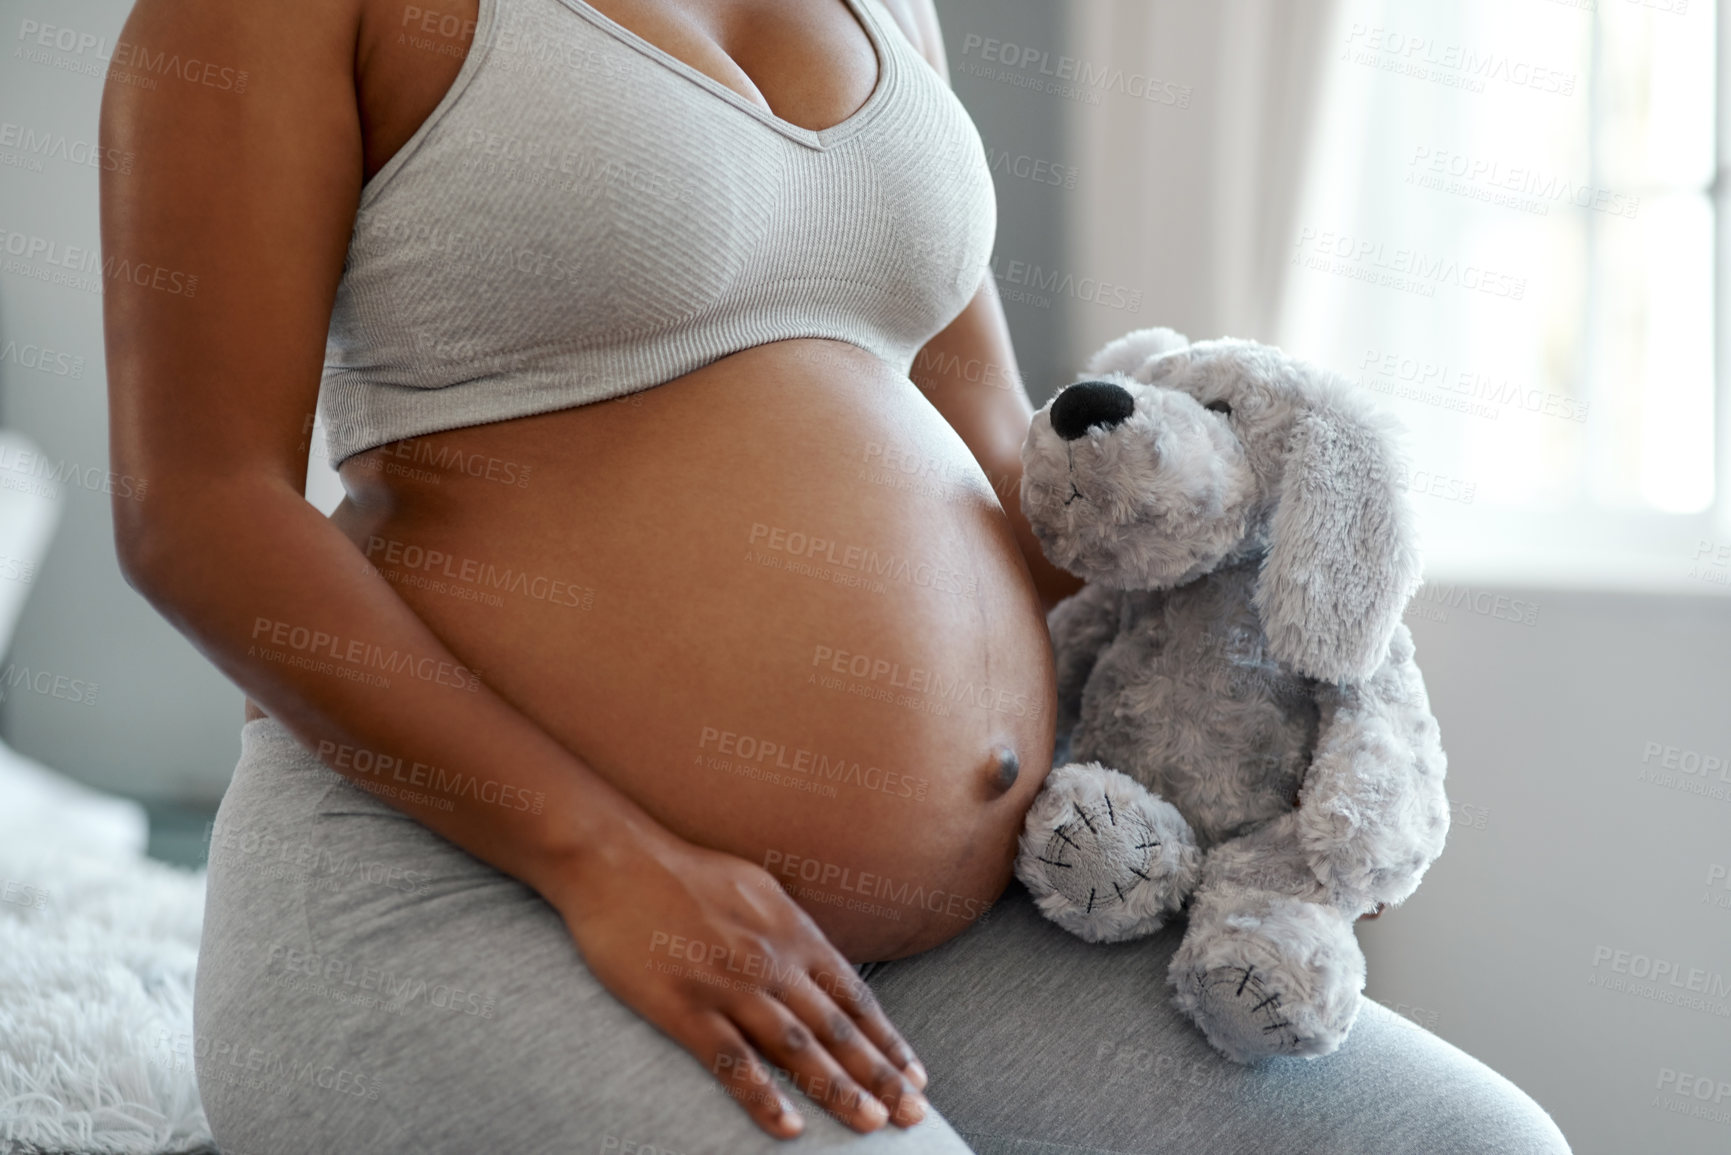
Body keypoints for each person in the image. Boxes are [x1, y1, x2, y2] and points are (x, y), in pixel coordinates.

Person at [100, 0, 1574, 1150]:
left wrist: (1254, 731)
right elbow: (199, 505)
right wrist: (602, 860)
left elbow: (1010, 454)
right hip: (486, 899)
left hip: (933, 942)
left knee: (1477, 1142)